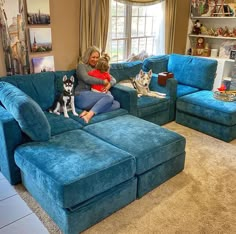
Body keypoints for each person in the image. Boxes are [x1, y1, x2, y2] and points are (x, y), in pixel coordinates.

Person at [74, 46, 120, 123]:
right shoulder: (81, 66)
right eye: (93, 57)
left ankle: (89, 112)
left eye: (97, 57)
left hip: (94, 97)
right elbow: (86, 78)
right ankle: (89, 116)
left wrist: (109, 85)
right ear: (88, 56)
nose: (95, 59)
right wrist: (102, 82)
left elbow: (113, 79)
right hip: (81, 95)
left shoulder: (99, 67)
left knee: (116, 104)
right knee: (109, 97)